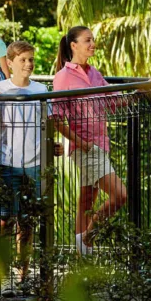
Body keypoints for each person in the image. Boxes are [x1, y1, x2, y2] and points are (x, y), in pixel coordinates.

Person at [51, 26, 128, 253]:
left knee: (86, 201)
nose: (92, 44)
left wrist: (145, 89)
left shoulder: (94, 73)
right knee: (120, 196)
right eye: (88, 40)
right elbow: (57, 119)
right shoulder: (63, 77)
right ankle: (87, 239)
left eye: (93, 40)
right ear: (74, 45)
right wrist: (82, 144)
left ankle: (81, 256)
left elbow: (114, 101)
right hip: (85, 148)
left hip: (101, 144)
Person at [0, 40, 48, 281]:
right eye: (23, 60)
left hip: (33, 162)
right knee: (4, 218)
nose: (28, 64)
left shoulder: (41, 90)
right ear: (10, 63)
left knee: (27, 220)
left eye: (31, 59)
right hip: (7, 161)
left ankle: (22, 270)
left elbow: (48, 122)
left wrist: (50, 146)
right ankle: (1, 268)